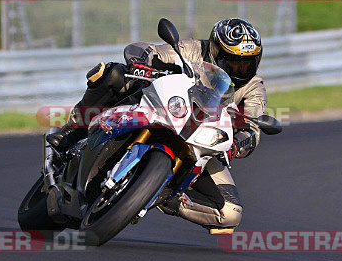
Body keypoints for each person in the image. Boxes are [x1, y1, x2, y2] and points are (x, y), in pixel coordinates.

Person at [46, 18, 267, 234]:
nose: (241, 69)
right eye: (234, 61)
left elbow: (252, 128)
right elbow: (147, 50)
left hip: (200, 141)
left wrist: (239, 145)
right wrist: (142, 65)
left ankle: (166, 193)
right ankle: (73, 131)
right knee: (112, 73)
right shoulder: (193, 49)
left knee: (230, 213)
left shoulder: (254, 88)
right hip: (164, 108)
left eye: (248, 63)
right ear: (216, 51)